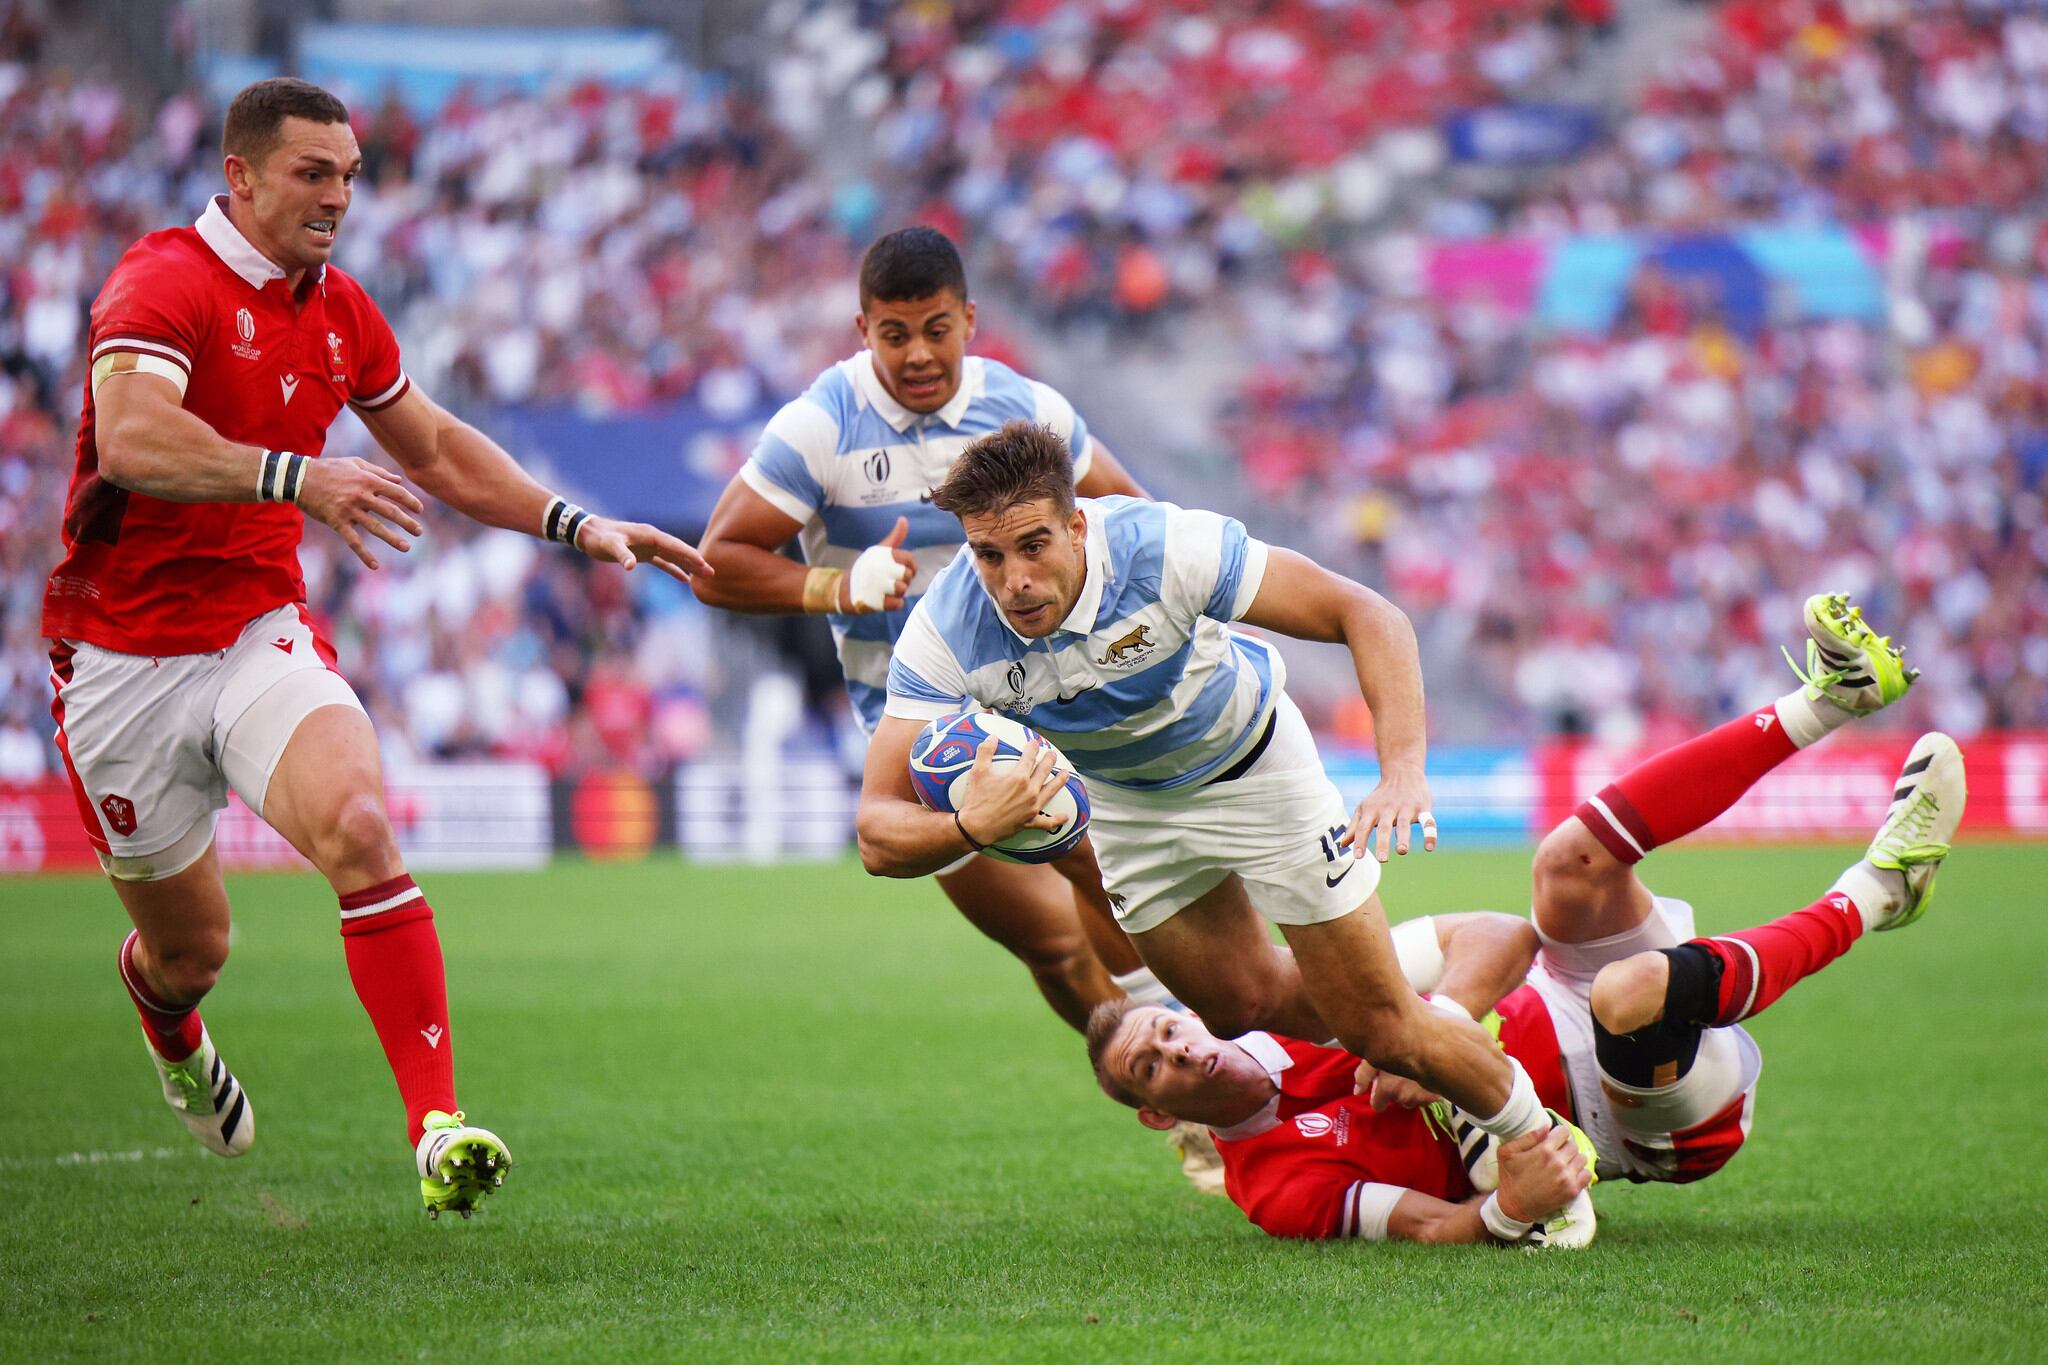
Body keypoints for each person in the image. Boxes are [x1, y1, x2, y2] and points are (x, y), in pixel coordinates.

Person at [43, 78, 710, 1218]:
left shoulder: (341, 307)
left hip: (257, 630)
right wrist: (300, 477)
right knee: (193, 952)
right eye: (313, 173)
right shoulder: (162, 281)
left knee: (359, 824)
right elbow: (137, 442)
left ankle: (436, 1126)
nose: (338, 196)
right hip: (120, 663)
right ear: (239, 176)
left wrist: (574, 522)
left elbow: (439, 449)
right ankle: (169, 1022)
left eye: (350, 175)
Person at [1085, 594, 1965, 1245]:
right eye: (1151, 1067)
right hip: (1633, 1114)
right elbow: (1434, 1226)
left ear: (1189, 1009)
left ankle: (1834, 698)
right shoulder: (1274, 1186)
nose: (1175, 1047)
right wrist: (1515, 1206)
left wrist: (1442, 1033)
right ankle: (1876, 891)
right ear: (1158, 1114)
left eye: (1163, 1027)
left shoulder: (1302, 997)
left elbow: (1501, 935)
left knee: (1565, 865)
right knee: (1632, 990)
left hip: (1562, 992)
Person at [862, 418, 1593, 1177]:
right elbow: (876, 834)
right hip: (1125, 802)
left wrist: (1403, 769)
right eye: (988, 554)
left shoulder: (1167, 548)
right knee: (1237, 1008)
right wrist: (969, 825)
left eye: (1033, 546)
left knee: (1380, 1024)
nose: (1013, 578)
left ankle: (1539, 1144)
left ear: (1077, 526)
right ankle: (1423, 1001)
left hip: (1253, 767)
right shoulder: (947, 628)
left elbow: (1367, 613)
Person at [693, 227, 1164, 1033]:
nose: (916, 353)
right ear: (862, 329)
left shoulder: (1026, 409)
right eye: (894, 333)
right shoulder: (821, 426)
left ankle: (1197, 1083)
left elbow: (1131, 516)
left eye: (935, 329)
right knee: (1051, 942)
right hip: (921, 727)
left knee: (1106, 875)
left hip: (1054, 692)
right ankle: (1179, 1075)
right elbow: (715, 562)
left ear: (969, 320)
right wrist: (838, 586)